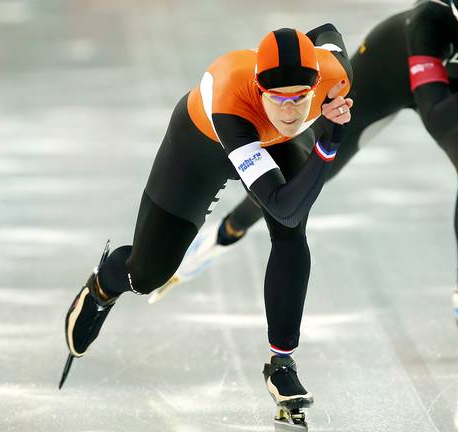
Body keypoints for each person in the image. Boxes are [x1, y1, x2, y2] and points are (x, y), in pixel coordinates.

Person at [152, 0, 458, 354]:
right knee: (307, 174)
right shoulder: (428, 24)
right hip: (389, 71)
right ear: (452, 12)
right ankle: (227, 232)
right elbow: (438, 116)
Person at [60, 25, 353, 424]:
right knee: (148, 275)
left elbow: (328, 33)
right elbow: (283, 204)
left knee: (291, 235)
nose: (290, 110)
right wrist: (327, 142)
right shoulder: (232, 95)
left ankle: (281, 364)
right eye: (278, 99)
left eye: (300, 98)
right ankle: (104, 283)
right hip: (200, 145)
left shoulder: (335, 75)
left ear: (317, 84)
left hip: (272, 143)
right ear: (259, 88)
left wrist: (285, 52)